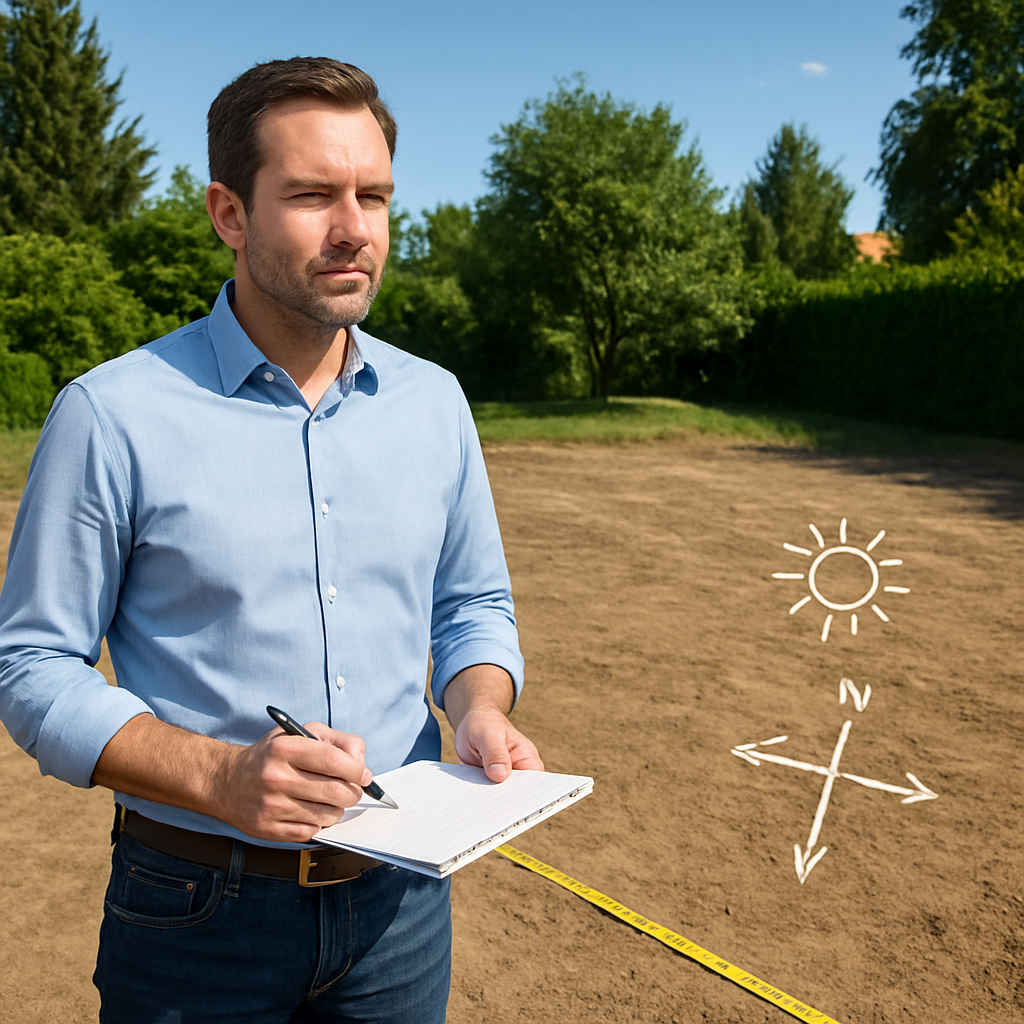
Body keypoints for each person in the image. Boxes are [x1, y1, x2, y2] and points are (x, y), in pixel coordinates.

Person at [0, 57, 542, 1023]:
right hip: (196, 914)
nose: (354, 228)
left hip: (402, 902)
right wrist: (222, 777)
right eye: (311, 195)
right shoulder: (110, 415)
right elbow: (33, 666)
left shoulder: (435, 403)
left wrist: (478, 708)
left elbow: (472, 606)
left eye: (374, 196)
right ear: (229, 214)